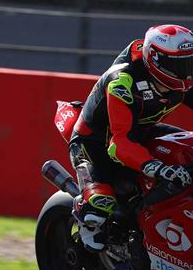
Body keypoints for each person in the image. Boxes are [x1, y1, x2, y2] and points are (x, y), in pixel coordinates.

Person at [70, 24, 193, 252]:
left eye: (190, 62)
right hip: (96, 143)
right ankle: (85, 218)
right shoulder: (122, 83)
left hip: (142, 131)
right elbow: (119, 144)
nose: (188, 71)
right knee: (101, 205)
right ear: (157, 61)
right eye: (181, 64)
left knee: (186, 147)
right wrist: (157, 168)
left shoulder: (182, 80)